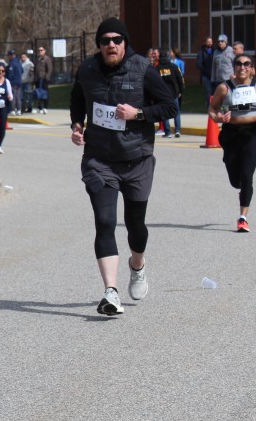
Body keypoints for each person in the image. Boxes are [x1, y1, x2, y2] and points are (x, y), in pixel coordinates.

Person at [69, 17, 177, 316]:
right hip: (99, 160)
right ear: (99, 45)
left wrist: (138, 114)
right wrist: (77, 125)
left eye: (117, 40)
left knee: (135, 226)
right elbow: (77, 100)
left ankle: (137, 265)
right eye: (105, 41)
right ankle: (110, 292)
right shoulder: (87, 70)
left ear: (125, 42)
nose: (111, 45)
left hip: (137, 161)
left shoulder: (143, 68)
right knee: (105, 221)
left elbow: (170, 106)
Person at [207, 54, 256, 233]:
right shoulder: (224, 88)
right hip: (231, 134)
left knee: (247, 176)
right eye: (238, 63)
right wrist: (218, 117)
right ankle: (242, 187)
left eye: (246, 64)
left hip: (252, 134)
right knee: (235, 180)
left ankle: (243, 218)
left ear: (252, 68)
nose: (242, 67)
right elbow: (212, 108)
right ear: (234, 67)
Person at [156, 51, 184, 138]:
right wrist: (181, 91)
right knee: (177, 111)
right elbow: (180, 79)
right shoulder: (174, 67)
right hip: (174, 93)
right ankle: (177, 130)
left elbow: (154, 82)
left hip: (163, 94)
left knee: (165, 113)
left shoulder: (157, 68)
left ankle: (167, 132)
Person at [34, 45, 53, 114]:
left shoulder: (47, 59)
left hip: (44, 79)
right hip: (38, 79)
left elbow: (49, 69)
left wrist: (47, 77)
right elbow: (35, 69)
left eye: (41, 50)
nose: (40, 51)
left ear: (44, 51)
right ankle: (39, 107)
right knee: (38, 93)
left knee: (44, 93)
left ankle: (45, 107)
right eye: (39, 50)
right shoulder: (38, 59)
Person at [196, 36, 214, 103]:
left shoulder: (215, 51)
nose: (209, 43)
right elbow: (198, 64)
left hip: (214, 75)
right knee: (209, 92)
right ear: (205, 42)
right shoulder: (201, 52)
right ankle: (209, 106)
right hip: (206, 76)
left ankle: (214, 106)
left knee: (215, 92)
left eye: (211, 42)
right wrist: (206, 70)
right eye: (208, 42)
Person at [6, 49, 23, 116]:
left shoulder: (12, 63)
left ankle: (13, 110)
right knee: (18, 96)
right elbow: (22, 71)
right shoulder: (19, 62)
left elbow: (10, 73)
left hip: (13, 82)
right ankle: (19, 110)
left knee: (12, 96)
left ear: (11, 55)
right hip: (19, 81)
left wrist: (8, 81)